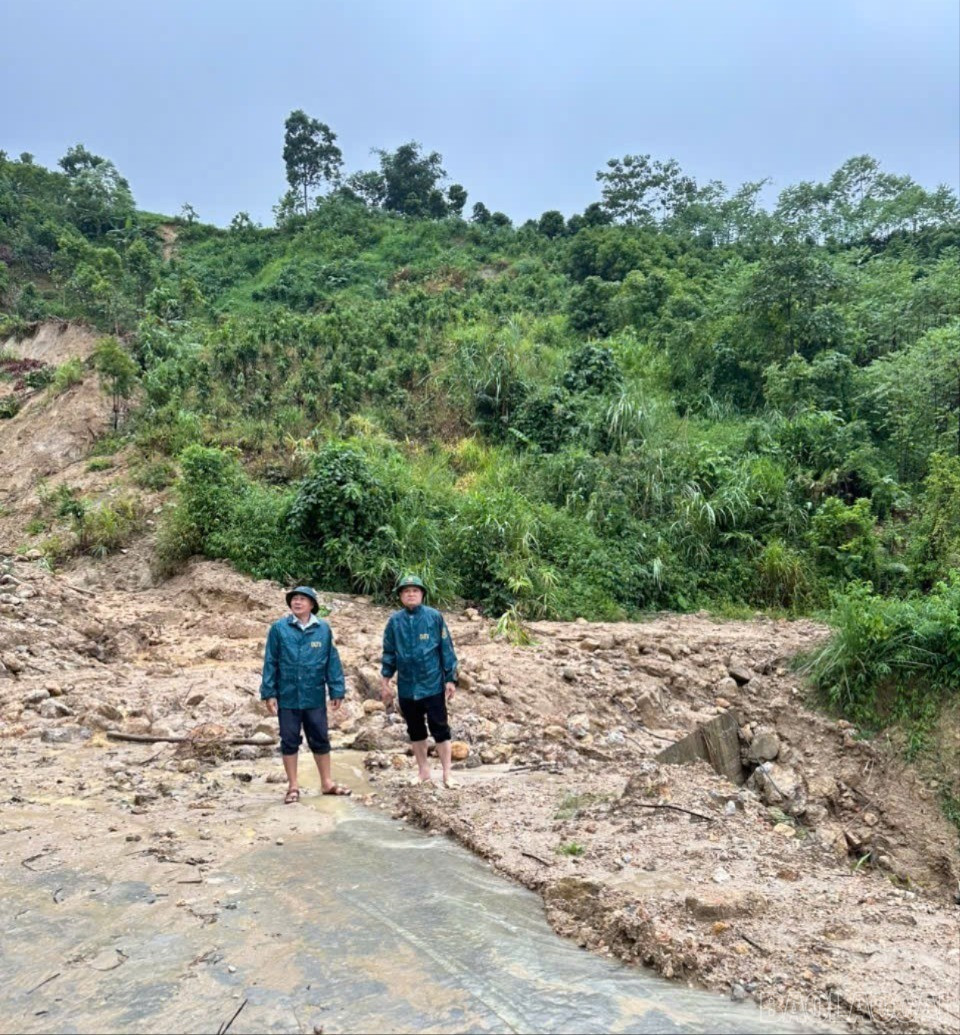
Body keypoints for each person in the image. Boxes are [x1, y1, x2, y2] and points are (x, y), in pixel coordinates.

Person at [260, 585, 352, 803]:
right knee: (289, 740)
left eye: (303, 599)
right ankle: (293, 787)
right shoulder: (279, 629)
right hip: (288, 695)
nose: (297, 602)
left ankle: (327, 783)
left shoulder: (323, 629)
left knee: (320, 738)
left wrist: (337, 690)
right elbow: (270, 661)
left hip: (314, 695)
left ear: (312, 604)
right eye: (294, 599)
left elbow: (332, 661)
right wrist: (269, 692)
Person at [380, 574, 459, 787]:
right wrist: (385, 681)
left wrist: (450, 679)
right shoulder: (395, 621)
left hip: (432, 683)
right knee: (415, 730)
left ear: (422, 594)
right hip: (407, 686)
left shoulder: (434, 617)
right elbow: (389, 652)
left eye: (415, 590)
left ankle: (447, 774)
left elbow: (446, 648)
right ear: (400, 596)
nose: (411, 594)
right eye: (406, 591)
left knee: (440, 728)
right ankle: (423, 771)